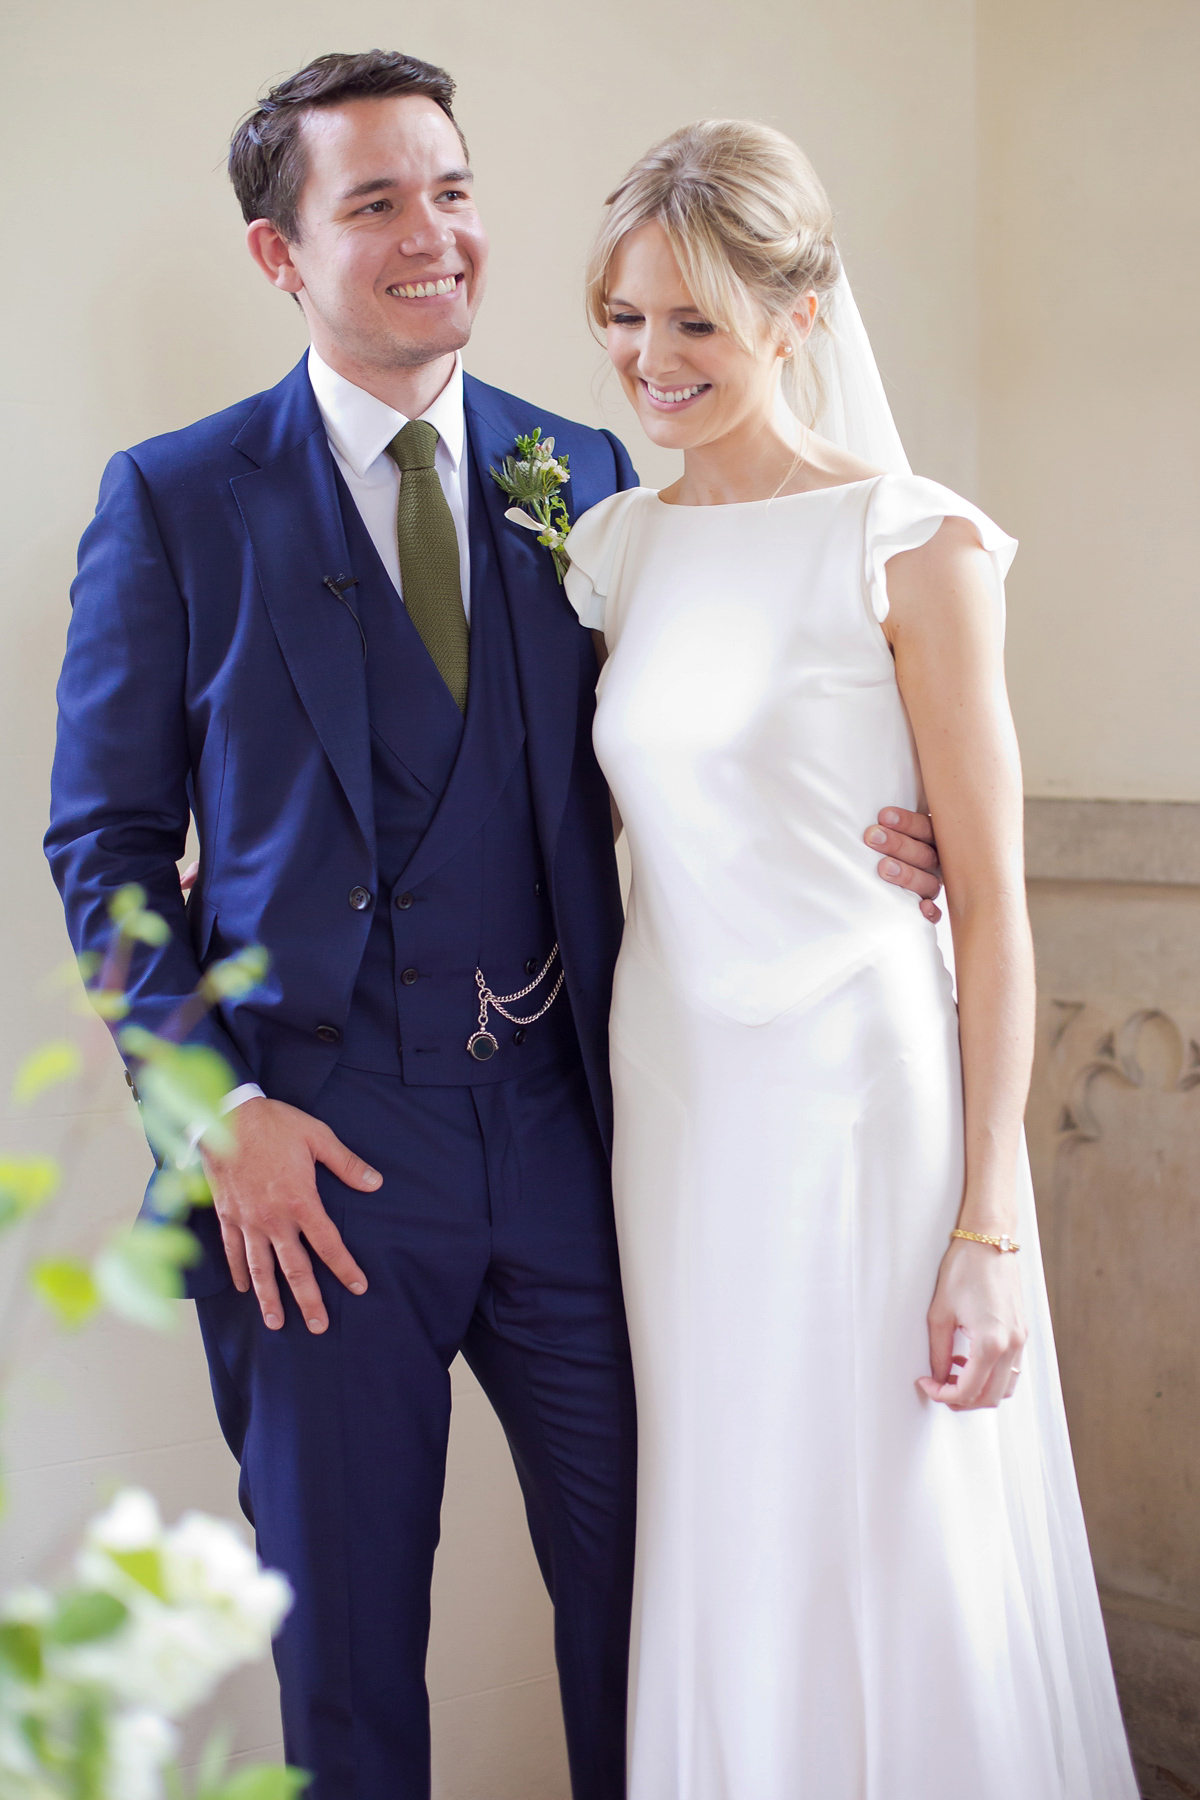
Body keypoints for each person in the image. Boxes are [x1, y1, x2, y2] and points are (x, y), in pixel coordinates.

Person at [43, 56, 939, 1800]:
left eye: (449, 188)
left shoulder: (588, 465)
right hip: (313, 1169)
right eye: (373, 201)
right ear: (276, 252)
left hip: (571, 1145)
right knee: (353, 1664)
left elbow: (711, 723)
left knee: (650, 1621)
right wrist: (216, 1115)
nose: (432, 233)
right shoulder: (175, 500)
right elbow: (106, 844)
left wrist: (870, 832)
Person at [563, 120, 1139, 1800]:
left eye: (693, 322)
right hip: (681, 1108)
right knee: (728, 1513)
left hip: (863, 1104)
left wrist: (991, 1226)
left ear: (797, 312)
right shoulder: (614, 550)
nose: (649, 361)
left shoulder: (914, 541)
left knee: (896, 1513)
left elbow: (997, 900)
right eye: (623, 317)